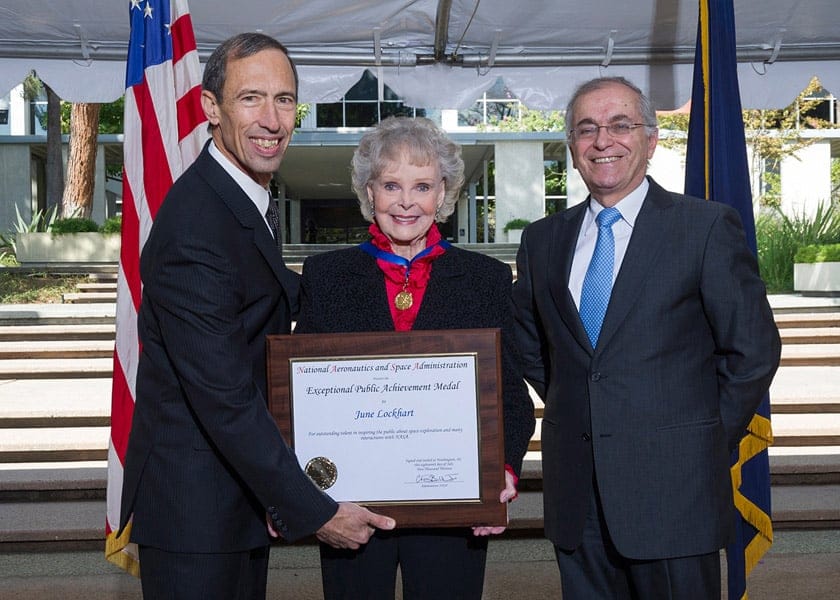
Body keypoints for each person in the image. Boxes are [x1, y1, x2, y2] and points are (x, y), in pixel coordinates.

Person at [117, 33, 393, 600]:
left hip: (229, 501)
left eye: (284, 100)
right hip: (195, 514)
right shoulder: (197, 225)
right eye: (251, 98)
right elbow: (224, 397)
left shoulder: (242, 199)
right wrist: (314, 508)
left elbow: (269, 311)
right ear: (212, 108)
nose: (272, 119)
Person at [512, 76, 781, 598]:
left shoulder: (704, 228)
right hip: (578, 496)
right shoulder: (543, 239)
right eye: (586, 128)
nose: (602, 141)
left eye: (620, 125)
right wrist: (585, 404)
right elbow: (531, 342)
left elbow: (753, 351)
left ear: (651, 139)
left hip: (676, 492)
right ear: (572, 145)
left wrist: (699, 441)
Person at [295, 116, 536, 599]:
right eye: (391, 185)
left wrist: (503, 471)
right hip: (351, 509)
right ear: (369, 192)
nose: (406, 202)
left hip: (454, 506)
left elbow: (510, 397)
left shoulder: (486, 279)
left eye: (422, 186)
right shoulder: (325, 277)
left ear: (442, 193)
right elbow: (303, 399)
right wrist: (301, 496)